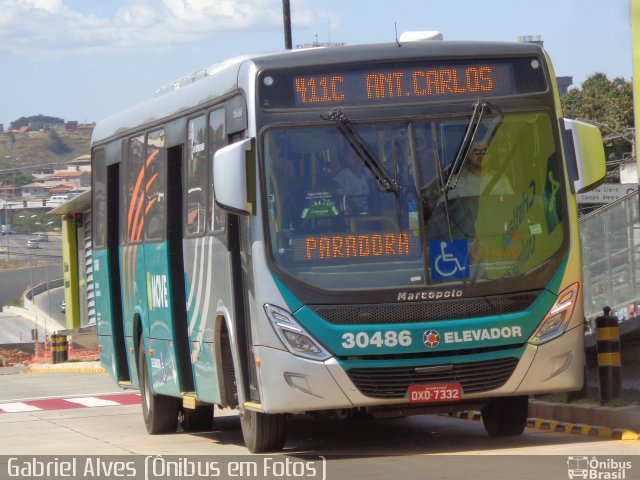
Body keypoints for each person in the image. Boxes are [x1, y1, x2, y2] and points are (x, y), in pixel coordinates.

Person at [448, 142, 513, 199]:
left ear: (490, 155)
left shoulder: (501, 179)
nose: (481, 156)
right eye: (476, 152)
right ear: (468, 155)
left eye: (485, 152)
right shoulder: (455, 182)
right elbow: (445, 208)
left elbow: (512, 204)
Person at [333, 148, 370, 215]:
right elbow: (335, 191)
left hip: (367, 215)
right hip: (353, 219)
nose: (357, 157)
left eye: (359, 154)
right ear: (347, 158)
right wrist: (349, 204)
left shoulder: (366, 172)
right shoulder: (345, 174)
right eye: (353, 155)